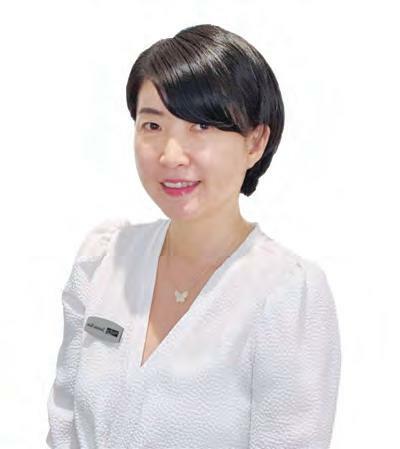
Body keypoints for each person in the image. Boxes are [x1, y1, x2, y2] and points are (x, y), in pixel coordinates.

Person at [46, 23, 341, 448]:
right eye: (153, 126)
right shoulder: (104, 259)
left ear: (255, 142)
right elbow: (64, 427)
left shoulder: (286, 294)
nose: (171, 155)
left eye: (201, 126)